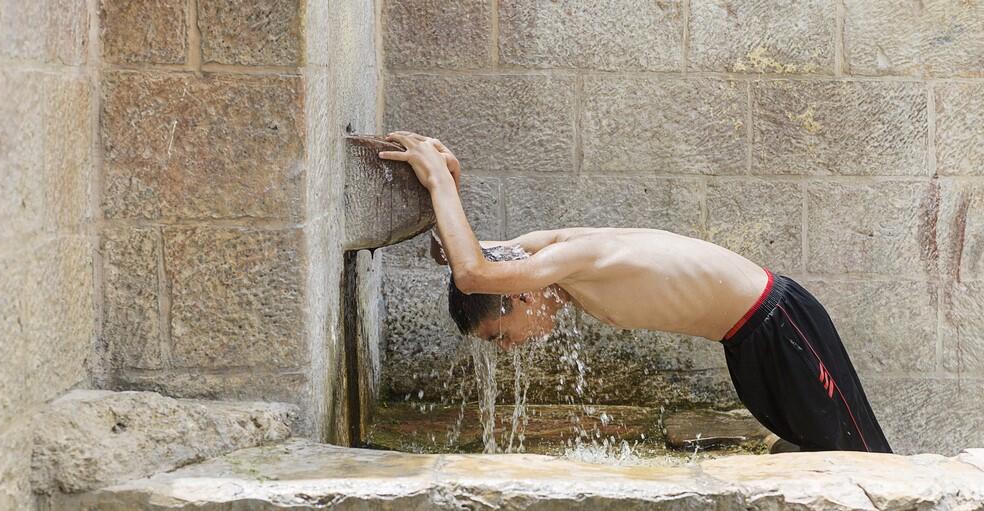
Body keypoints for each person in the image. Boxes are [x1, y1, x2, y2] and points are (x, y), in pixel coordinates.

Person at [379, 131, 892, 453]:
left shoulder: (565, 258)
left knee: (861, 458)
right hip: (746, 344)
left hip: (781, 325)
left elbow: (471, 273)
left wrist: (440, 183)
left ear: (522, 295)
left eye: (500, 335)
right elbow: (450, 252)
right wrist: (452, 179)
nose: (509, 347)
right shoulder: (534, 258)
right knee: (808, 452)